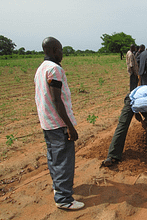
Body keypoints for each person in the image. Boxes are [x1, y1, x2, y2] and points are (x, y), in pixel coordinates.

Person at [34, 37, 84, 210]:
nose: (62, 53)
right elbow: (57, 100)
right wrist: (70, 126)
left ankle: (58, 188)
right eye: (61, 50)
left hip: (46, 122)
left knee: (54, 157)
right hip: (58, 123)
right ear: (54, 49)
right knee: (64, 159)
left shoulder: (41, 69)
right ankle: (64, 199)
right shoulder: (55, 69)